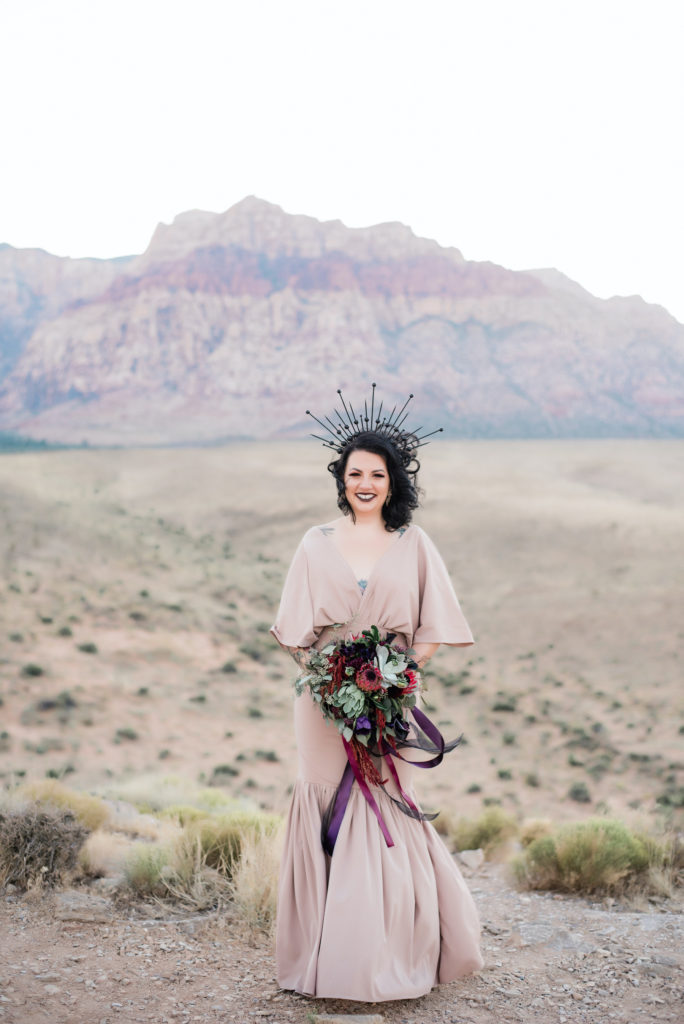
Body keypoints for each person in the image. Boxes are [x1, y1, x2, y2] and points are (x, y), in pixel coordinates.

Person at [270, 387, 483, 1002]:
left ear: (393, 483)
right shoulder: (314, 542)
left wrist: (395, 678)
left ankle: (388, 956)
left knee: (386, 805)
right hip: (320, 704)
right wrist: (330, 680)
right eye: (354, 473)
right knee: (323, 804)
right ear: (341, 480)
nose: (365, 483)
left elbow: (434, 630)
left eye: (377, 474)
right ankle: (319, 956)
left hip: (392, 698)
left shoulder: (414, 544)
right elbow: (293, 634)